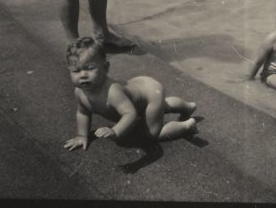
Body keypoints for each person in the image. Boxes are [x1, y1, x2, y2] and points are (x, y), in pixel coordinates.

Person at [62, 37, 199, 150]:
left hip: (151, 94)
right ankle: (187, 106)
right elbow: (83, 113)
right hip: (142, 87)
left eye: (90, 68)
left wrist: (116, 131)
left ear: (105, 68)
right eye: (76, 71)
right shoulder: (79, 92)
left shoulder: (112, 92)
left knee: (152, 134)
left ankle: (186, 126)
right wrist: (82, 135)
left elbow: (130, 114)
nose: (83, 75)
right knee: (163, 106)